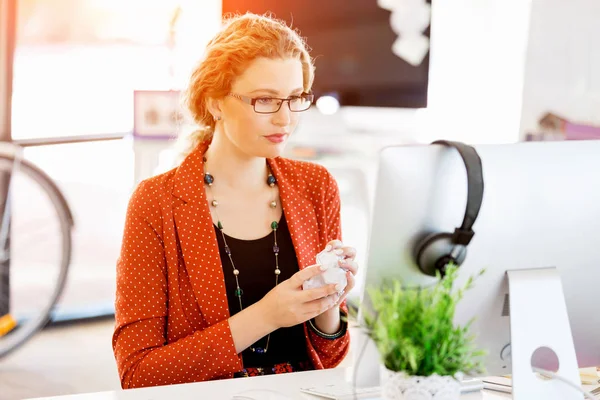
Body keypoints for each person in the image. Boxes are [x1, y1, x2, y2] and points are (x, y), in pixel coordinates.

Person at [112, 12, 359, 389]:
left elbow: (331, 357)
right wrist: (267, 316)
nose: (285, 119)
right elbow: (138, 375)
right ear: (214, 102)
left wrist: (327, 303)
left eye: (295, 98)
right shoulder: (156, 203)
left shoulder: (315, 186)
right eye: (264, 100)